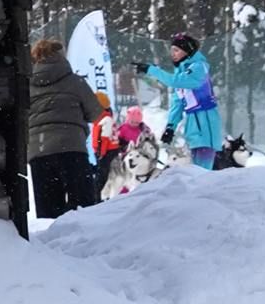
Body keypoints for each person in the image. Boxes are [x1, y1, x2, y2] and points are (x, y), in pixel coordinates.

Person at [28, 38, 101, 218]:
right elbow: (95, 113)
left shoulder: (27, 84)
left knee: (48, 214)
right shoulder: (74, 81)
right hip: (71, 148)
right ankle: (85, 245)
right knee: (84, 208)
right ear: (61, 55)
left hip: (39, 151)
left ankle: (50, 246)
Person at [134, 33, 223, 170]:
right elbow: (178, 103)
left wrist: (151, 70)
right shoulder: (181, 72)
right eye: (171, 50)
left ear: (187, 51)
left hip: (206, 125)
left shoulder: (199, 67)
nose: (173, 54)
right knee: (195, 171)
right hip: (193, 126)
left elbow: (175, 81)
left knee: (203, 172)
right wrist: (170, 127)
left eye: (176, 50)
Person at [90, 92, 120, 199]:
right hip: (104, 152)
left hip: (106, 152)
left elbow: (104, 138)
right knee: (101, 175)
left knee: (101, 176)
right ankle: (97, 196)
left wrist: (101, 153)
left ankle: (96, 197)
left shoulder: (106, 119)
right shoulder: (102, 119)